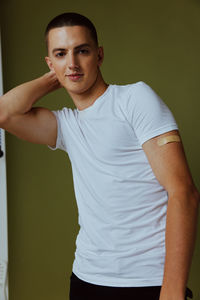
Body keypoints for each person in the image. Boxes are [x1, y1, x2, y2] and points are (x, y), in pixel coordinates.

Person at [0, 12, 199, 300]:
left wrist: (172, 290)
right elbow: (5, 113)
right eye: (60, 53)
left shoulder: (134, 100)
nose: (73, 63)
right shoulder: (68, 125)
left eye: (82, 51)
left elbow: (184, 193)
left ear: (99, 55)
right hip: (86, 278)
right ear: (50, 63)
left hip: (147, 281)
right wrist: (55, 77)